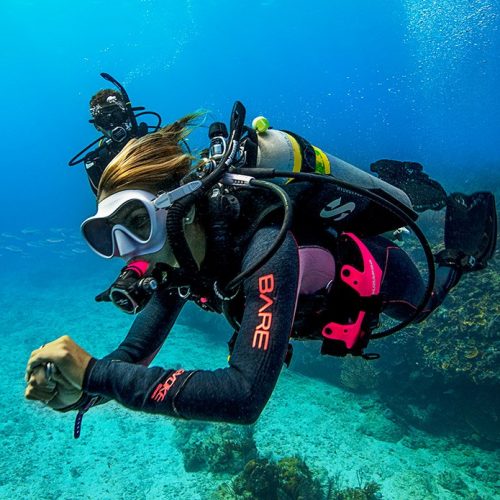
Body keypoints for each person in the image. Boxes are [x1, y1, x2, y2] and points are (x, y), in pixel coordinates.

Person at [26, 102, 497, 436]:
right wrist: (82, 391)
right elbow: (133, 353)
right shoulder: (177, 262)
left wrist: (96, 375)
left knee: (421, 309)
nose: (127, 251)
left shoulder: (266, 247)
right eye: (106, 236)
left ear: (179, 208)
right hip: (305, 308)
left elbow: (242, 396)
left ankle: (457, 254)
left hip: (373, 272)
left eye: (136, 223)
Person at [68, 73, 162, 196]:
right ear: (97, 126)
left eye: (117, 116)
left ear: (128, 115)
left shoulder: (157, 139)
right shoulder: (96, 162)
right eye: (104, 120)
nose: (113, 124)